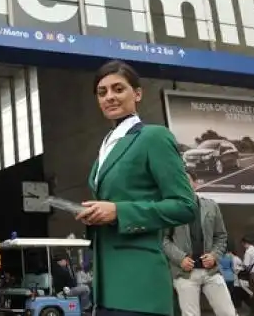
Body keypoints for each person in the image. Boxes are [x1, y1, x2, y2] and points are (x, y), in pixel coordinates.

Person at [77, 60, 195, 316]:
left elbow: (185, 206)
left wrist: (120, 212)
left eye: (118, 89)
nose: (110, 97)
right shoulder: (107, 146)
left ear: (137, 94)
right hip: (105, 286)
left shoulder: (154, 137)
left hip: (140, 285)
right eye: (102, 92)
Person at [164, 169, 236, 316]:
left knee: (228, 312)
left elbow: (221, 236)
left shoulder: (211, 206)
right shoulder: (170, 208)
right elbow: (164, 239)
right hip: (184, 273)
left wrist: (214, 255)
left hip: (212, 271)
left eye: (187, 180)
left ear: (195, 184)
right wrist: (181, 258)